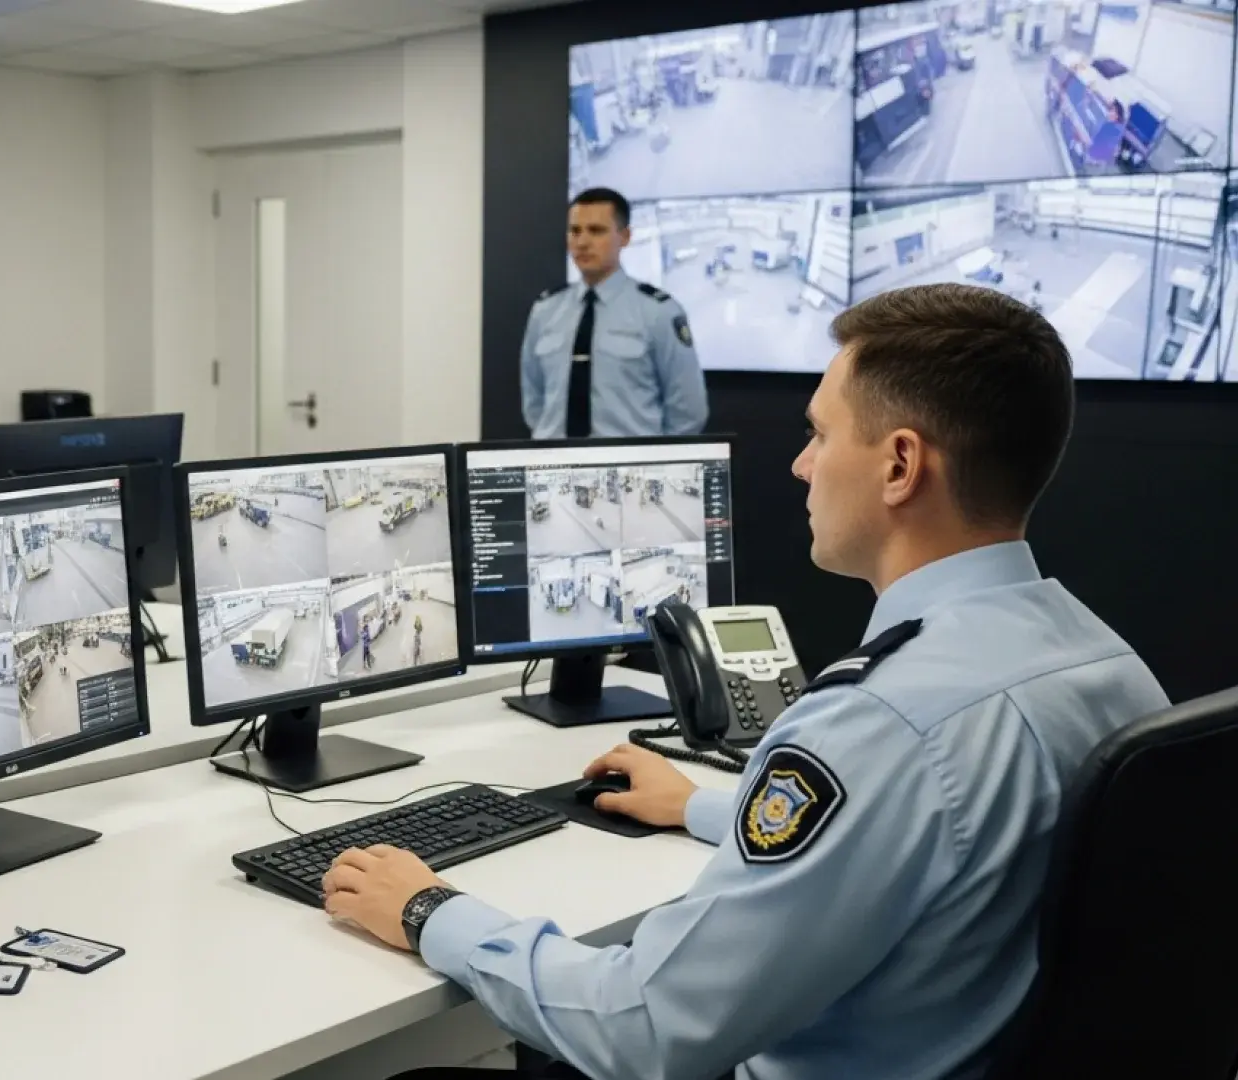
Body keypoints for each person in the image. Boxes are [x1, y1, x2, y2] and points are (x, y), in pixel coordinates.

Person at [320, 283, 1170, 1080]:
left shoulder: (876, 723)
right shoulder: (1107, 665)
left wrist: (431, 910)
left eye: (821, 434)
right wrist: (700, 804)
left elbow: (646, 1028)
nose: (802, 466)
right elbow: (930, 827)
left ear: (900, 465)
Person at [521, 188, 707, 440]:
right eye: (575, 231)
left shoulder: (658, 312)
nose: (582, 242)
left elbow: (688, 412)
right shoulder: (545, 310)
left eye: (596, 230)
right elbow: (534, 403)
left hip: (629, 472)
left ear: (625, 236)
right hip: (553, 468)